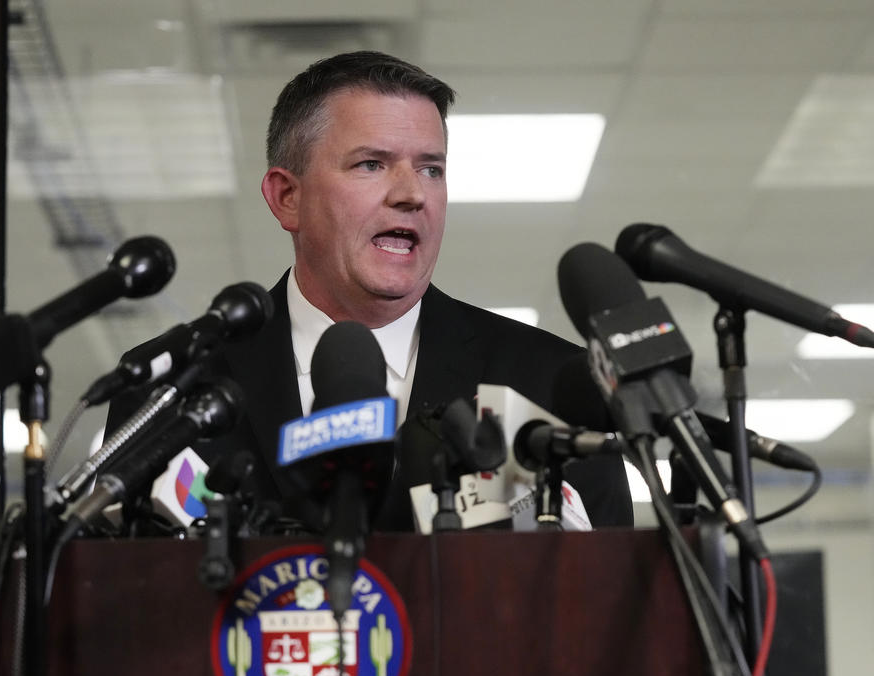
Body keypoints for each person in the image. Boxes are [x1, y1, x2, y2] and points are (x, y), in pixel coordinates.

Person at [111, 50, 632, 532]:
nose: (411, 195)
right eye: (372, 164)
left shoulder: (555, 389)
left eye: (432, 169)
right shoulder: (170, 392)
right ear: (287, 197)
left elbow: (613, 614)